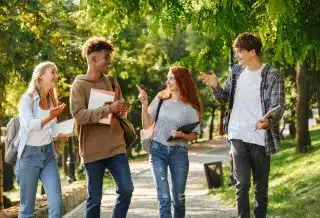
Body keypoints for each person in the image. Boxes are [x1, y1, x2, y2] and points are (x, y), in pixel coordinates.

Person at [199, 32, 285, 218]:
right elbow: (224, 98)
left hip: (261, 137)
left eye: (240, 51)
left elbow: (278, 106)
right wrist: (215, 85)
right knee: (242, 182)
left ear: (252, 52)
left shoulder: (272, 75)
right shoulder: (236, 72)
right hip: (237, 134)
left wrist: (268, 121)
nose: (237, 54)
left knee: (261, 187)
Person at [70, 36, 133, 218]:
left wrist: (121, 110)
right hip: (92, 150)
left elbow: (119, 109)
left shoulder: (112, 81)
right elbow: (79, 115)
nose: (109, 61)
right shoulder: (79, 85)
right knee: (94, 199)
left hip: (115, 146)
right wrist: (107, 109)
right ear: (93, 58)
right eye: (106, 57)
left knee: (127, 189)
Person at [137, 66, 203, 218]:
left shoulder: (190, 107)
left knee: (178, 199)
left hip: (179, 153)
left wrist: (182, 135)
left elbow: (194, 135)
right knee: (164, 198)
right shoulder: (161, 98)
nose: (167, 81)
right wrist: (144, 104)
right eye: (167, 78)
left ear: (181, 80)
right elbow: (147, 125)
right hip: (158, 150)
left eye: (171, 78)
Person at [16, 61, 67, 218]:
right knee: (27, 210)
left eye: (56, 73)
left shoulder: (52, 101)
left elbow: (52, 129)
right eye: (52, 72)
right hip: (28, 156)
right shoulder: (27, 99)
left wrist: (59, 134)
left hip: (48, 155)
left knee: (57, 205)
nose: (55, 76)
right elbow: (30, 125)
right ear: (40, 76)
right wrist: (50, 116)